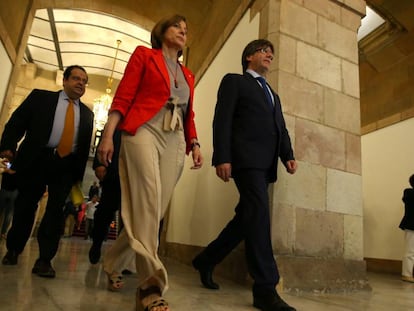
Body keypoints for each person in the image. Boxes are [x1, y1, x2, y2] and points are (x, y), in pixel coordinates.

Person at [97, 14, 203, 311]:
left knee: (153, 210)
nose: (183, 32)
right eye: (177, 27)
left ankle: (113, 261)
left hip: (176, 136)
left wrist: (194, 143)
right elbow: (124, 97)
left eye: (186, 29)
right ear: (162, 31)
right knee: (146, 201)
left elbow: (189, 113)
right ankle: (149, 286)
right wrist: (107, 136)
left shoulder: (188, 74)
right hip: (144, 128)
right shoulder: (144, 55)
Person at [192, 39, 297, 311]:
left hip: (266, 166)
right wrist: (222, 157)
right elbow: (222, 119)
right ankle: (265, 288)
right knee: (259, 216)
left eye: (271, 53)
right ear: (249, 56)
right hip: (245, 161)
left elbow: (280, 128)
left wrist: (288, 155)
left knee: (246, 219)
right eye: (264, 51)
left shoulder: (273, 93)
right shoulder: (235, 82)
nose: (269, 56)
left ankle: (206, 259)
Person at [0, 65, 94, 279]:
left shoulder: (87, 115)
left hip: (65, 166)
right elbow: (17, 122)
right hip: (37, 160)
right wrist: (8, 147)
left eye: (84, 81)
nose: (81, 83)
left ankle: (44, 260)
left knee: (55, 212)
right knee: (25, 206)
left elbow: (82, 149)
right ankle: (14, 249)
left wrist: (77, 183)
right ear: (65, 80)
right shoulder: (40, 98)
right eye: (76, 78)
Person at [89, 129, 122, 264]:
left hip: (135, 177)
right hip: (113, 174)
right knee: (104, 213)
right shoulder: (117, 121)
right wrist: (99, 164)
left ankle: (123, 257)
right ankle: (96, 244)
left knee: (129, 219)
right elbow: (106, 136)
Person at [399, 174, 414, 283]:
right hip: (411, 225)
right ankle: (407, 274)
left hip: (410, 224)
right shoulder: (408, 192)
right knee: (410, 251)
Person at [0, 158, 17, 239]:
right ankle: (3, 233)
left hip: (4, 189)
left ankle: (2, 232)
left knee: (1, 211)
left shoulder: (5, 163)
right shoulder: (20, 165)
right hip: (14, 190)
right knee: (9, 214)